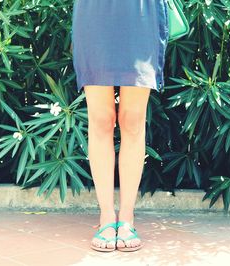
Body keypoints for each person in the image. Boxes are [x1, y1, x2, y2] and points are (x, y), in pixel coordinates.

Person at [71, 0, 169, 252]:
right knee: (101, 119)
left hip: (140, 12)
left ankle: (127, 216)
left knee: (133, 120)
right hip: (94, 12)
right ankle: (106, 216)